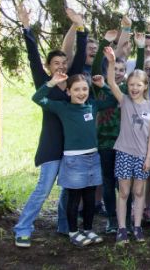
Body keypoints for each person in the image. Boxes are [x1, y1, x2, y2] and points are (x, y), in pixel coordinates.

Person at [13, 2, 86, 248]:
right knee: (44, 189)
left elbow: (83, 47)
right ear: (49, 67)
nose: (61, 67)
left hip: (72, 148)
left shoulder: (73, 82)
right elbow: (33, 55)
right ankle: (23, 228)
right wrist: (26, 27)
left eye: (64, 64)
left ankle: (64, 225)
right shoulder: (45, 83)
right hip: (51, 146)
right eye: (56, 64)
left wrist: (80, 25)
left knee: (68, 190)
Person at [32, 73, 116, 247]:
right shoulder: (62, 107)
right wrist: (52, 83)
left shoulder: (91, 105)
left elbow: (112, 101)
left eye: (85, 89)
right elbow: (37, 98)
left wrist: (103, 86)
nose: (81, 93)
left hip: (93, 157)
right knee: (74, 198)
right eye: (76, 89)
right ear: (68, 91)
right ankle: (73, 232)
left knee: (90, 197)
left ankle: (87, 229)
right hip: (74, 160)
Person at [91, 30, 146, 233]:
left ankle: (127, 219)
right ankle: (112, 219)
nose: (120, 72)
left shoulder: (130, 91)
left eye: (123, 69)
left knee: (124, 183)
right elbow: (96, 68)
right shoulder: (100, 87)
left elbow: (139, 72)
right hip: (106, 142)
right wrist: (105, 43)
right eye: (117, 68)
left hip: (126, 144)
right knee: (107, 181)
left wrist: (140, 48)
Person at [103, 47, 150, 244]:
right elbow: (110, 82)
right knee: (124, 192)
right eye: (131, 84)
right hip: (124, 153)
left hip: (143, 156)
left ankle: (137, 227)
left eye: (138, 85)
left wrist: (149, 158)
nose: (134, 88)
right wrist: (110, 62)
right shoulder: (124, 101)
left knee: (139, 192)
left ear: (145, 86)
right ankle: (122, 229)